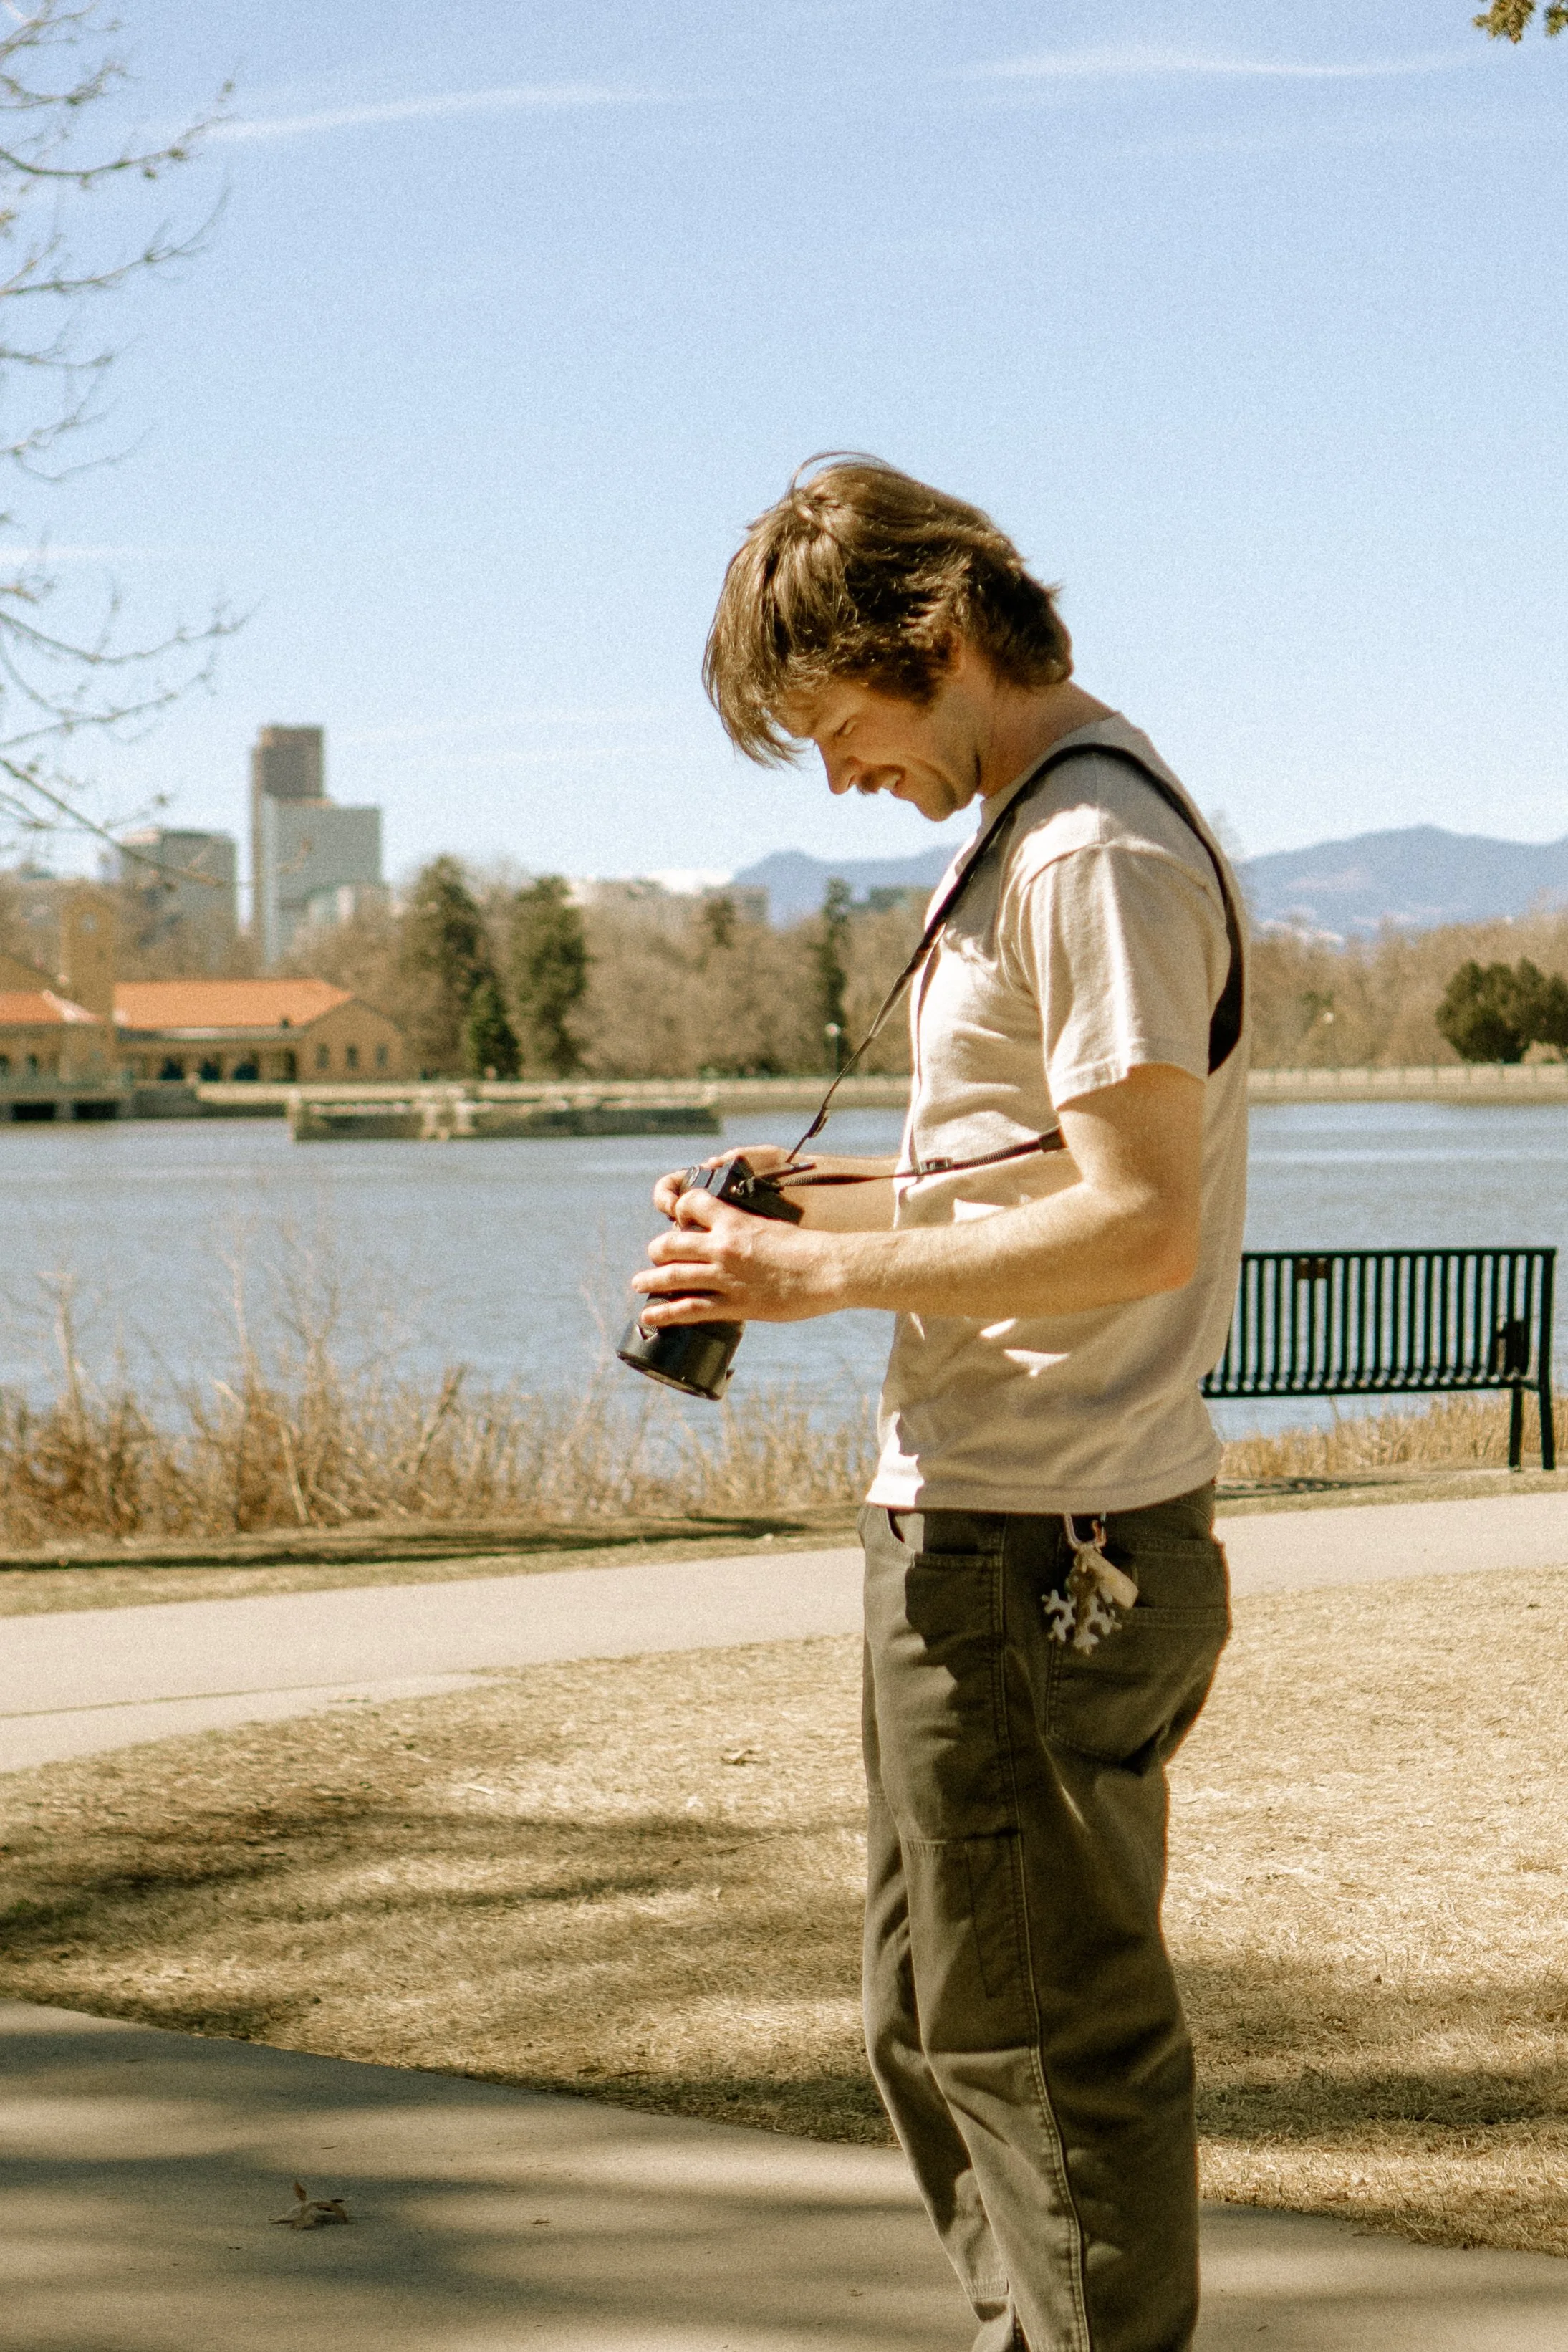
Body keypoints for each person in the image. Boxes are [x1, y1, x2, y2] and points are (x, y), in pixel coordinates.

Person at [630, 457, 1247, 2352]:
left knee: (1038, 2045)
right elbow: (1019, 1178)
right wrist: (793, 1212)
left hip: (1043, 1539)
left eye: (837, 726)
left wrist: (816, 1283)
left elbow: (1140, 1222)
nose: (836, 778)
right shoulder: (1029, 832)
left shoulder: (1088, 851)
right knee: (934, 2021)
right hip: (982, 1521)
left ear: (939, 635)